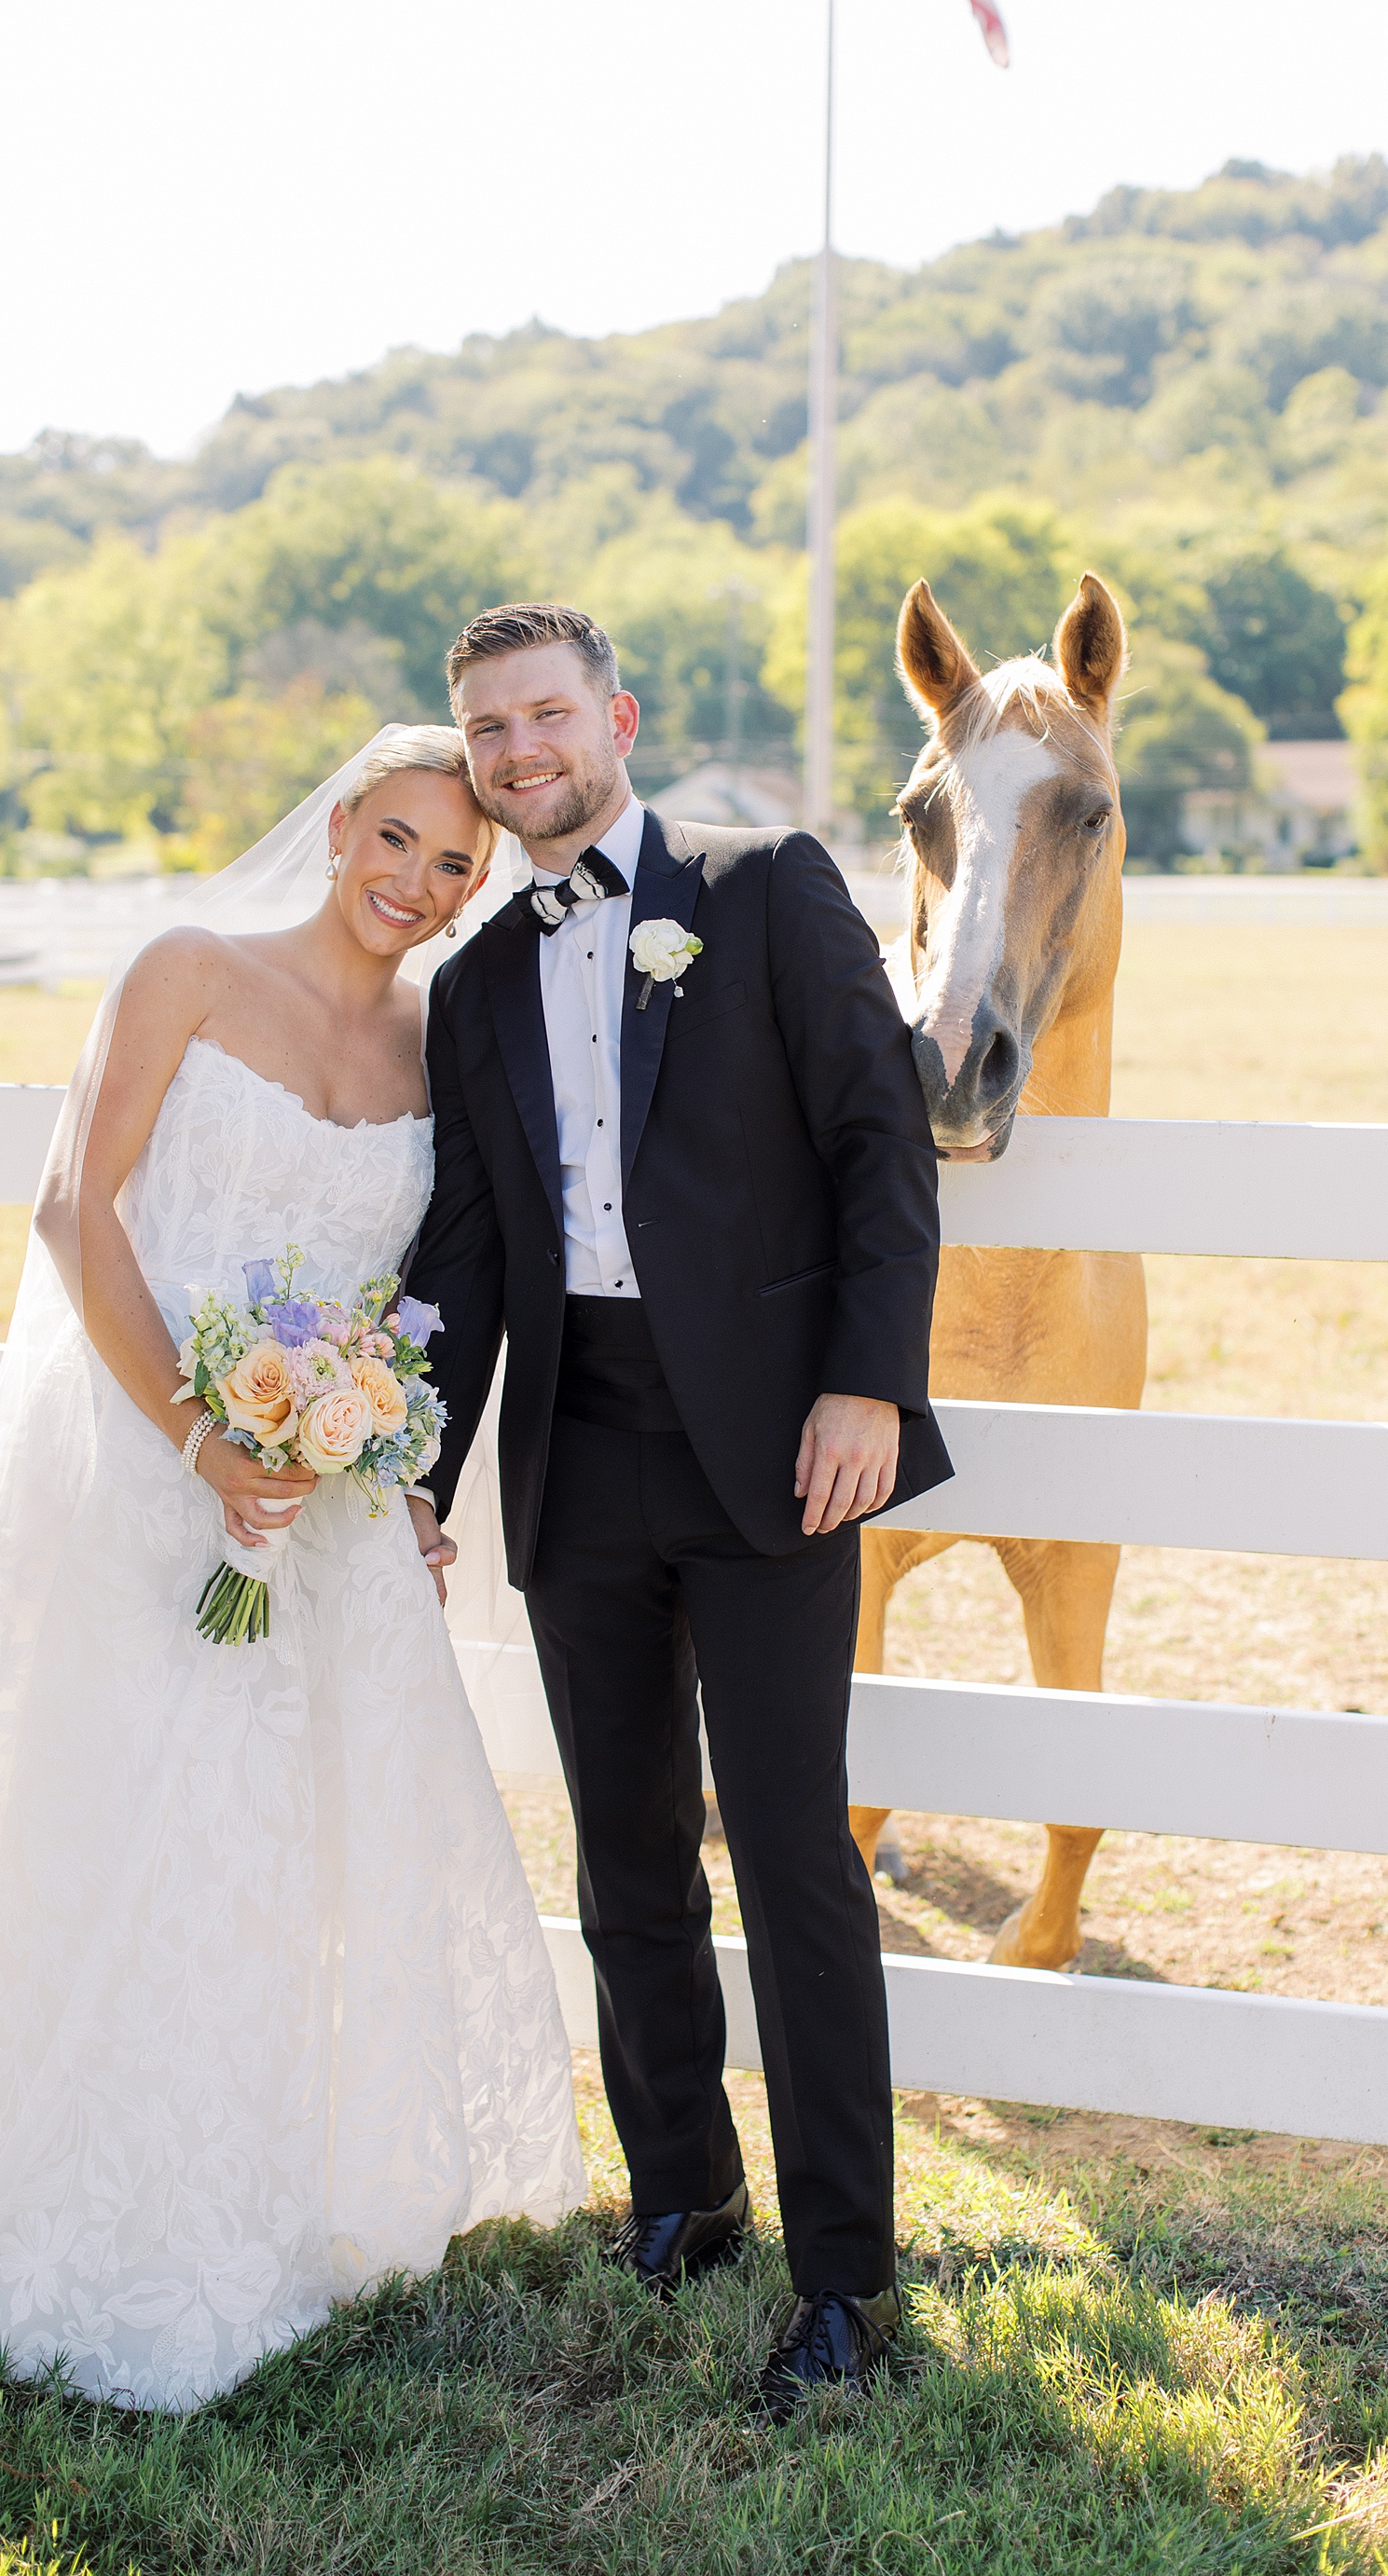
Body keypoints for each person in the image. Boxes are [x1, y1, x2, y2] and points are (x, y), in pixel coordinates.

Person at [0, 727, 583, 2475]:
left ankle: (245, 2187)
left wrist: (371, 1455)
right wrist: (195, 1437)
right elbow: (74, 1205)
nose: (419, 881)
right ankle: (2, 2176)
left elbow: (419, 1289)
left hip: (313, 1508)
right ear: (339, 825)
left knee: (272, 1845)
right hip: (130, 1476)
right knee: (79, 1819)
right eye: (397, 838)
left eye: (458, 864)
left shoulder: (436, 1040)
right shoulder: (186, 971)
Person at [405, 606, 952, 2421]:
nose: (517, 748)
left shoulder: (765, 879)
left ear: (611, 717)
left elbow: (879, 1138)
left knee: (794, 1857)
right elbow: (472, 1252)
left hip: (781, 1449)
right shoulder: (478, 981)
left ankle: (847, 2285)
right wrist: (414, 1472)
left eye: (544, 712)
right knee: (625, 1853)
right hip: (575, 1454)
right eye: (486, 727)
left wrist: (867, 1383)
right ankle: (683, 2195)